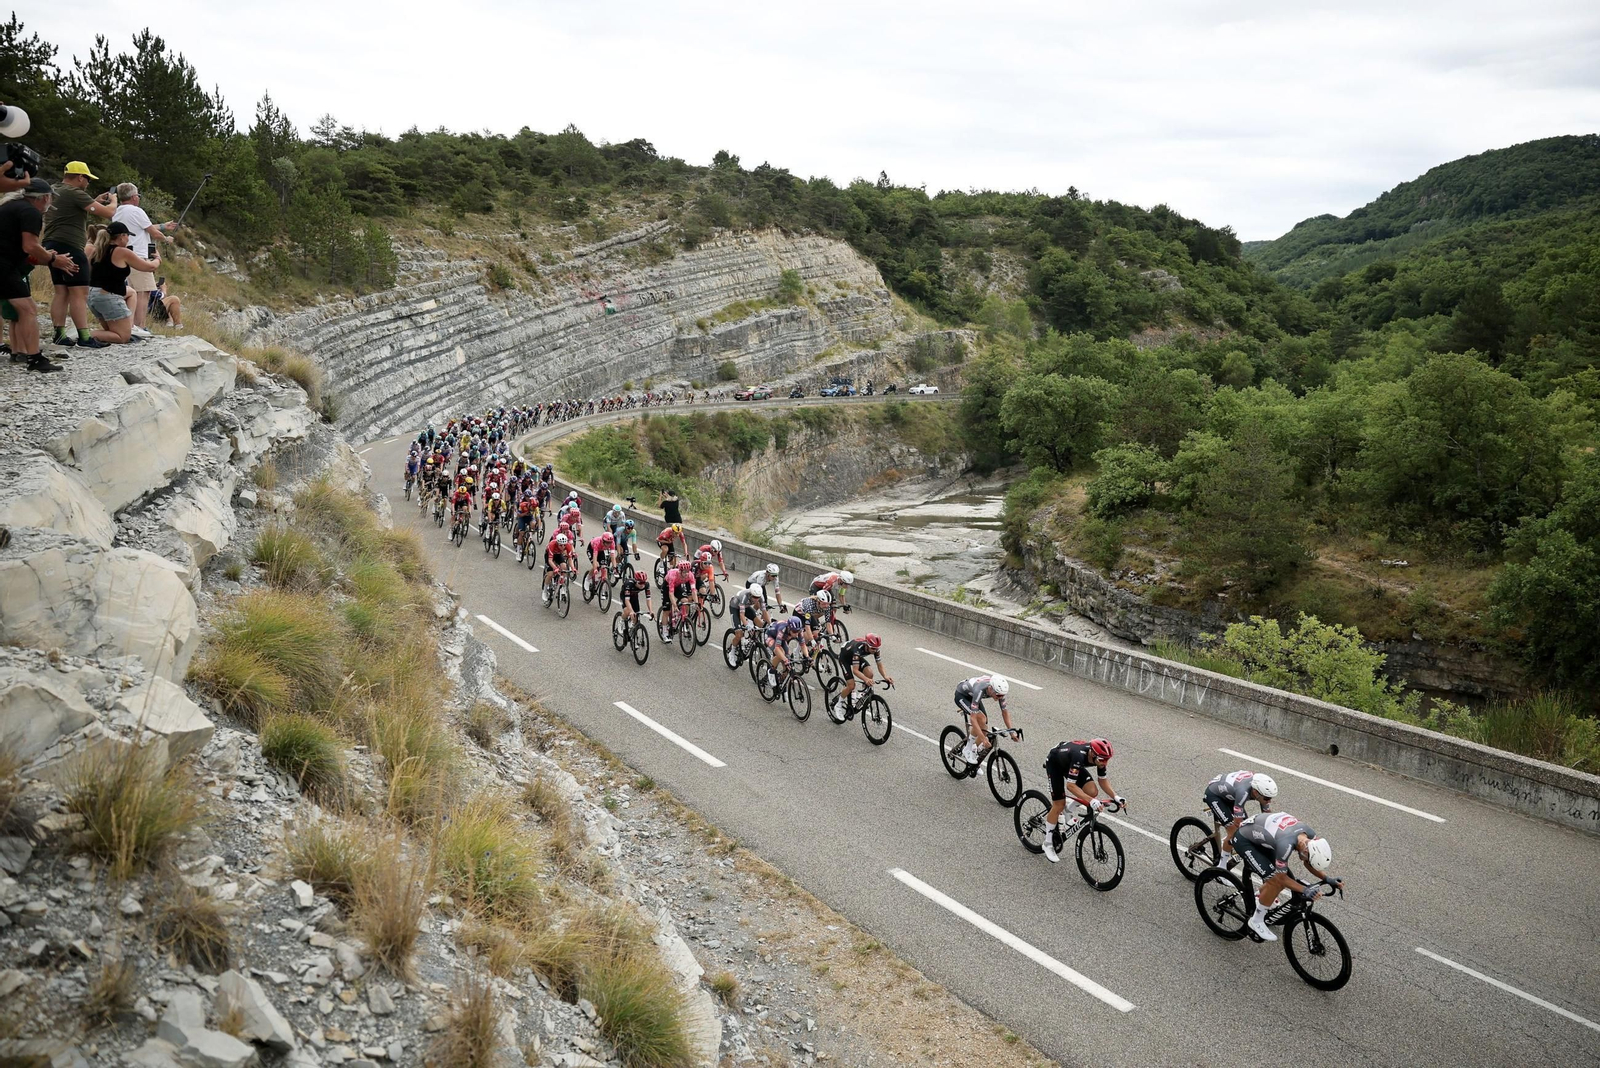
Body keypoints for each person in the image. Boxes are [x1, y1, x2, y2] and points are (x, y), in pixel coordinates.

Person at [1230, 812, 1338, 942]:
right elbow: (1280, 879)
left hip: (1263, 836)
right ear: (1305, 850)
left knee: (1281, 878)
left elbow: (1308, 862)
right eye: (1307, 857)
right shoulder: (1285, 844)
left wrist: (1326, 878)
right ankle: (1256, 921)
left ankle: (1261, 897)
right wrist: (1305, 890)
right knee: (1276, 881)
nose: (1305, 859)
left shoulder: (1311, 838)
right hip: (1245, 839)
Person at [43, 161, 116, 350]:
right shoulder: (75, 193)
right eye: (88, 179)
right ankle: (84, 336)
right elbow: (109, 214)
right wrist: (114, 201)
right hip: (71, 246)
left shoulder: (55, 189)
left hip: (51, 244)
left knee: (61, 291)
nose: (89, 183)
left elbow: (71, 209)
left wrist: (93, 201)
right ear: (80, 177)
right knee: (79, 292)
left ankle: (59, 334)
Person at [0, 178, 69, 373]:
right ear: (45, 197)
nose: (50, 203)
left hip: (7, 265)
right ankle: (35, 359)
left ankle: (24, 354)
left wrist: (50, 258)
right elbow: (30, 246)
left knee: (22, 310)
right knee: (28, 309)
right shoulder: (30, 212)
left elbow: (23, 252)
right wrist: (53, 260)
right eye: (50, 199)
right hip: (3, 266)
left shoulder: (12, 206)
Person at [1039, 738, 1124, 863]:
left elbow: (1102, 780)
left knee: (1092, 791)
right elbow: (1070, 786)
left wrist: (1116, 797)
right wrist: (1090, 801)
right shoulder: (1079, 756)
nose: (1104, 763)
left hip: (1070, 762)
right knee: (1058, 804)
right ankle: (1047, 844)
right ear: (1092, 754)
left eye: (1107, 760)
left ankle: (1069, 810)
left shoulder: (1100, 757)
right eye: (1102, 760)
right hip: (1055, 762)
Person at [110, 183, 175, 334]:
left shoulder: (117, 211)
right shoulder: (137, 211)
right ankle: (140, 327)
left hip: (123, 256)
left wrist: (164, 226)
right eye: (138, 196)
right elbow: (153, 232)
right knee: (143, 292)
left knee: (131, 291)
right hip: (139, 257)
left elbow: (141, 227)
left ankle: (130, 325)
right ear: (134, 197)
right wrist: (166, 239)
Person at [84, 222, 160, 344]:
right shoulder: (121, 252)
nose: (128, 239)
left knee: (130, 293)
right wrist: (157, 259)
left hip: (93, 295)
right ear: (121, 236)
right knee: (123, 337)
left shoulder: (97, 251)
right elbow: (149, 267)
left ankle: (129, 325)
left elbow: (89, 272)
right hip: (108, 296)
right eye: (127, 236)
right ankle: (84, 334)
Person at [1203, 771, 1278, 868]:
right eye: (1267, 798)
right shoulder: (1243, 792)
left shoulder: (1260, 791)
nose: (1269, 801)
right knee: (1234, 832)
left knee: (1246, 830)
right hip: (1214, 795)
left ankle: (1228, 843)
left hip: (1230, 795)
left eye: (1270, 798)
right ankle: (1221, 868)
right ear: (1256, 792)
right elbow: (1238, 822)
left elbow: (1267, 816)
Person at [954, 674, 1018, 767]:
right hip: (962, 695)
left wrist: (1012, 733)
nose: (1000, 697)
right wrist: (984, 740)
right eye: (998, 695)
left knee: (984, 725)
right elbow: (973, 718)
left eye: (1002, 695)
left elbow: (1005, 712)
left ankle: (973, 752)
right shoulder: (980, 690)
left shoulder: (998, 691)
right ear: (990, 688)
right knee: (981, 719)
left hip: (973, 697)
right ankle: (968, 748)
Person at [830, 634, 893, 719]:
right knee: (851, 685)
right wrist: (866, 679)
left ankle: (862, 694)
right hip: (845, 658)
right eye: (873, 648)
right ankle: (838, 705)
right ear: (867, 645)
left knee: (870, 673)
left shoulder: (875, 649)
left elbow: (879, 664)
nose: (875, 650)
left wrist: (885, 676)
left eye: (876, 648)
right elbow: (855, 671)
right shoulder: (857, 650)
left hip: (855, 657)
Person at [543, 532, 577, 602]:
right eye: (560, 545)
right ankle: (545, 590)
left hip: (558, 555)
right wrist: (555, 568)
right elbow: (550, 560)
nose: (562, 547)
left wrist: (573, 568)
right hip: (549, 555)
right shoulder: (552, 544)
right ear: (557, 543)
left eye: (564, 545)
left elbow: (570, 559)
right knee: (550, 574)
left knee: (564, 567)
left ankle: (561, 583)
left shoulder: (568, 546)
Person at [619, 567, 653, 633]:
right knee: (627, 611)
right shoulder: (629, 584)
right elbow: (627, 600)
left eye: (643, 582)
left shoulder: (646, 585)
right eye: (640, 583)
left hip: (634, 596)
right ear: (636, 581)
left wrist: (651, 611)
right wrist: (631, 611)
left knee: (636, 616)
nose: (642, 585)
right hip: (625, 596)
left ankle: (632, 632)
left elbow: (648, 599)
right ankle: (622, 620)